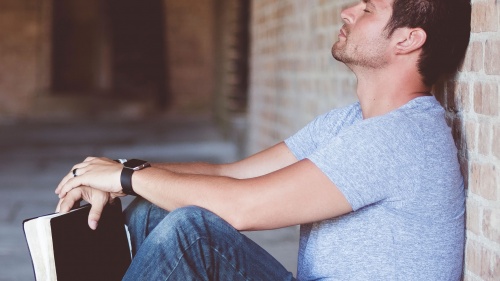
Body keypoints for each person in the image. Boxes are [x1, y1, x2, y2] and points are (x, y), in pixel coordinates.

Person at [55, 0, 471, 280]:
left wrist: (125, 177)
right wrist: (119, 172)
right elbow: (229, 174)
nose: (346, 11)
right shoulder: (350, 122)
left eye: (368, 8)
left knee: (192, 231)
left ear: (408, 40)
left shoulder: (401, 136)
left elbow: (242, 207)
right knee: (153, 210)